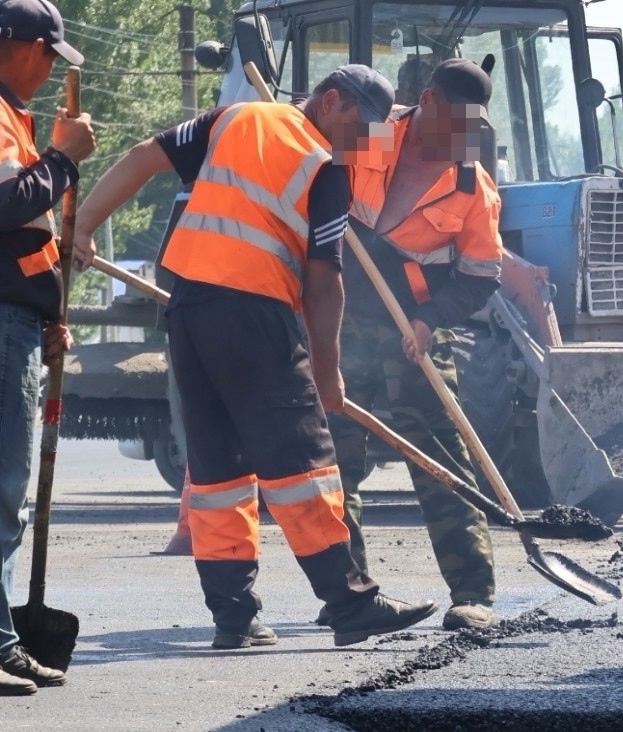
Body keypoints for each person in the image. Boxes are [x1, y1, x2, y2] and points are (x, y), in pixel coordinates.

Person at [72, 65, 439, 649]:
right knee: (303, 461)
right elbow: (324, 284)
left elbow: (143, 157)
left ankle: (233, 616)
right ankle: (350, 603)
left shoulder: (234, 118)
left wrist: (84, 225)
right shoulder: (325, 167)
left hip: (189, 310)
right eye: (362, 126)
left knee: (218, 466)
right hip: (256, 313)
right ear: (331, 100)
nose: (364, 142)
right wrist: (327, 374)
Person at [326, 58, 503, 632]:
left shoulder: (471, 185)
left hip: (413, 330)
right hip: (338, 318)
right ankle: (348, 591)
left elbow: (479, 278)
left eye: (472, 125)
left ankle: (473, 593)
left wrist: (429, 320)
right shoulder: (375, 134)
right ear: (426, 101)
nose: (461, 136)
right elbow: (312, 166)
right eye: (455, 121)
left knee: (442, 459)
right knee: (333, 460)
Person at [0, 0, 92, 694]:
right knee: (4, 492)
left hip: (18, 319)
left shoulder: (14, 117)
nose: (50, 70)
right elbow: (7, 204)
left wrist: (47, 312)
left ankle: (2, 639)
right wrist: (64, 158)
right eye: (49, 56)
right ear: (26, 46)